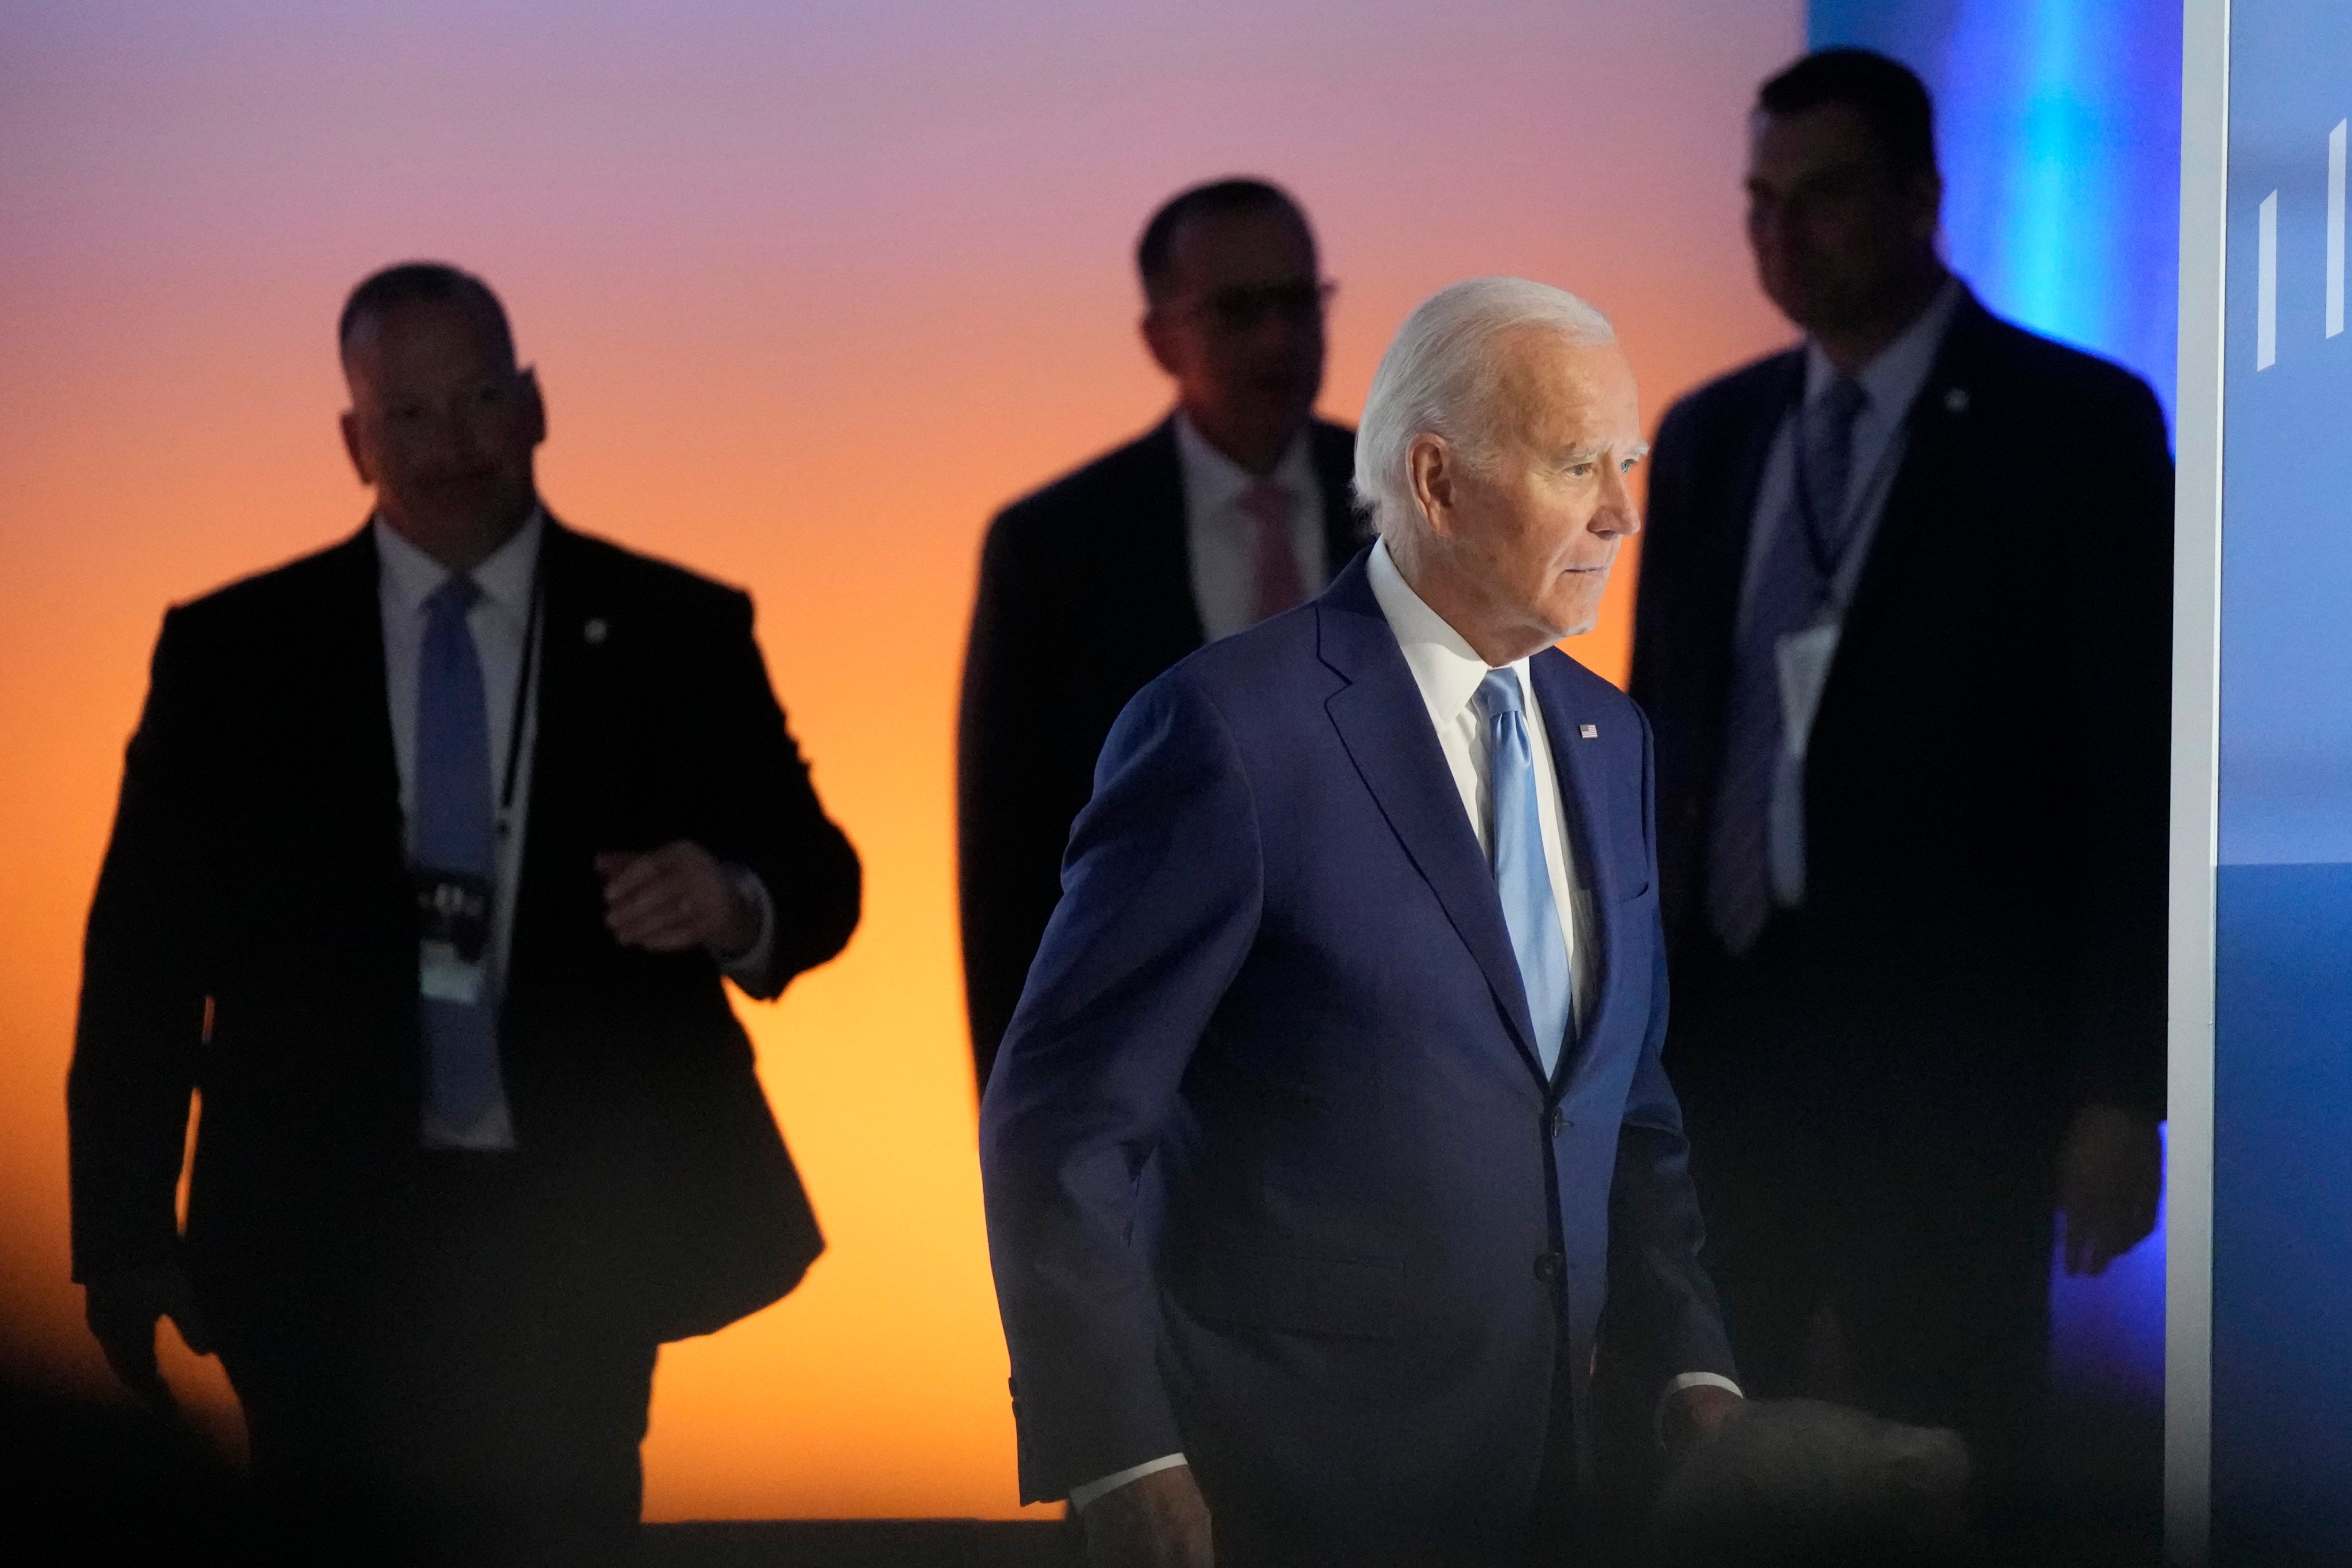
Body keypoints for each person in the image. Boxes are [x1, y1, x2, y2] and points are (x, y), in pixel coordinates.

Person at [68, 262, 860, 1566]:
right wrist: (122, 1235)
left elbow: (818, 878)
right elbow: (143, 962)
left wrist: (735, 900)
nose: (450, 445)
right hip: (306, 1230)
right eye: (409, 414)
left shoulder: (675, 628)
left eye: (480, 399)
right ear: (351, 439)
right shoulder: (233, 653)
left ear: (538, 403)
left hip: (575, 1227)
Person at [981, 278, 1741, 1568]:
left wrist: (1689, 1365)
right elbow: (1062, 1122)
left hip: (1559, 1477)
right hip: (1283, 1484)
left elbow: (1621, 1102)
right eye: (1576, 468)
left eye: (1627, 463)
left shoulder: (1611, 738)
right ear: (1436, 482)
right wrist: (1119, 1448)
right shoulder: (1230, 729)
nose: (1622, 513)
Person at [1628, 47, 2169, 1513]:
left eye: (1820, 197)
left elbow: (2128, 768)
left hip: (1953, 1066)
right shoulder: (1709, 433)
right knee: (1702, 1462)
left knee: (1948, 1452)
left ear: (1923, 198)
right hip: (1724, 1056)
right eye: (1757, 201)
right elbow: (1659, 737)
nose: (1778, 233)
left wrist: (2121, 1085)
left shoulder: (2076, 428)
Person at [957, 177, 1365, 1092]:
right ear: (1158, 338)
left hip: (1408, 1097)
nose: (1278, 338)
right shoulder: (1056, 550)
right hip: (1160, 1100)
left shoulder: (1428, 508)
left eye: (1299, 303)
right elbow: (1012, 877)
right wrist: (1028, 1153)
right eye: (1237, 309)